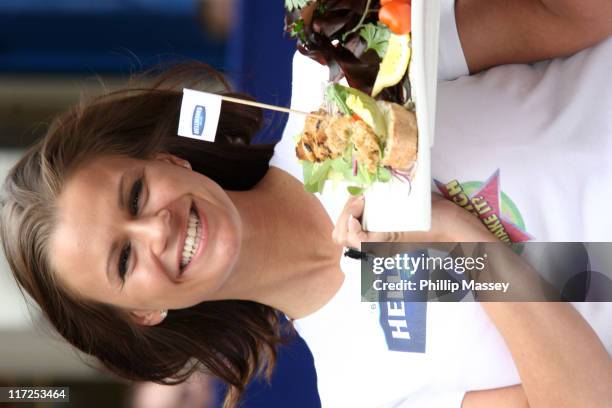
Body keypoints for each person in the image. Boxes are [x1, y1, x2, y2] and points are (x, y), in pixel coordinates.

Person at [0, 1, 611, 408]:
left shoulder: (339, 67)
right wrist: (460, 249)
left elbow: (569, 16)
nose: (155, 229)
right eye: (123, 260)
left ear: (168, 162)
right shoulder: (362, 391)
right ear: (144, 315)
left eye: (135, 194)